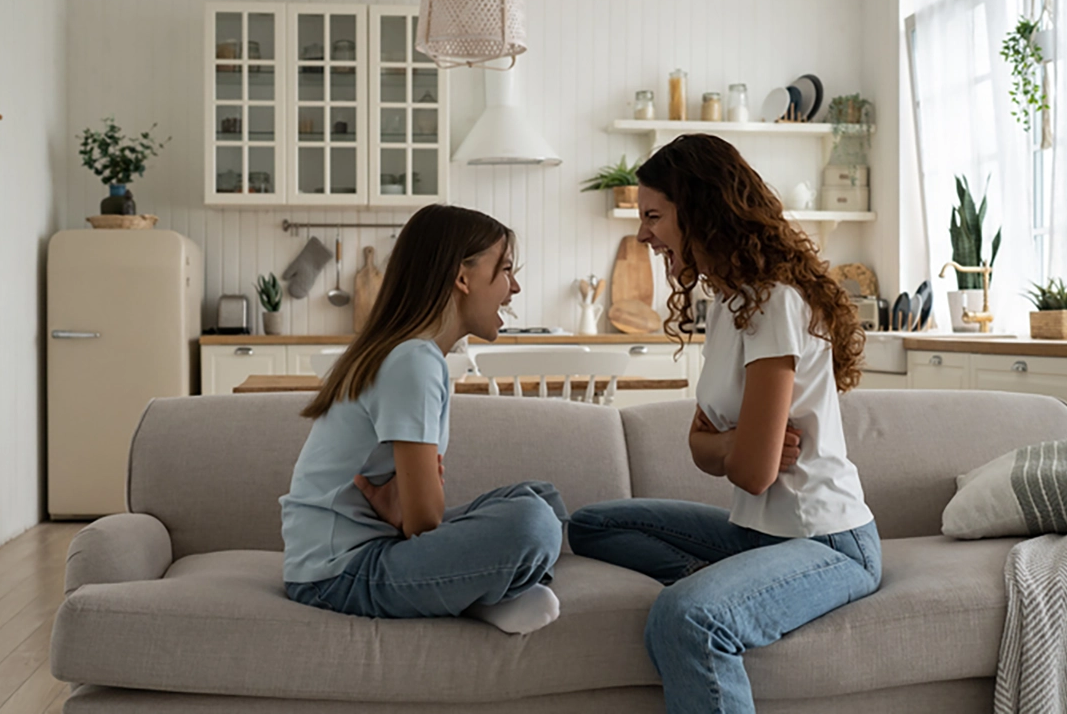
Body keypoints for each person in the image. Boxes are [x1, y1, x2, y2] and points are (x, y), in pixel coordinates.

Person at [568, 134, 882, 713]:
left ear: (703, 211)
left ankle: (719, 591)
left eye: (655, 216)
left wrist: (729, 447)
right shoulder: (730, 305)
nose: (643, 234)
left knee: (687, 616)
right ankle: (735, 580)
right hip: (759, 535)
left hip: (827, 541)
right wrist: (729, 445)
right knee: (590, 525)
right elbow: (702, 445)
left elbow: (753, 473)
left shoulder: (775, 304)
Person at [281, 204, 567, 635]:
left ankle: (476, 591)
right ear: (461, 277)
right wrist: (404, 517)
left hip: (368, 550)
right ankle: (481, 596)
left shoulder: (414, 354)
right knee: (534, 523)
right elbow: (424, 523)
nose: (515, 287)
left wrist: (404, 515)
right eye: (505, 270)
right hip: (338, 575)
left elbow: (415, 520)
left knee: (542, 498)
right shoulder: (412, 361)